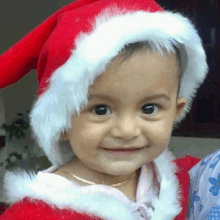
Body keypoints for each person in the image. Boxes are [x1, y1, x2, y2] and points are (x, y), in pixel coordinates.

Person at [0, 0, 210, 219]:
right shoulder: (35, 214)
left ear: (176, 110)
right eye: (101, 110)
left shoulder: (192, 181)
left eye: (149, 108)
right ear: (62, 121)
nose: (127, 131)